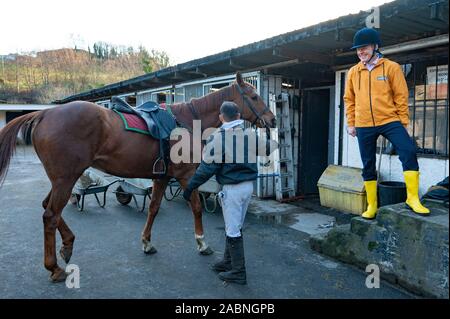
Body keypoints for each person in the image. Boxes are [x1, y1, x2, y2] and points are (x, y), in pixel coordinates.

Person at [183, 101, 276, 285]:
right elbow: (269, 147)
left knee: (233, 229)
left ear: (220, 117)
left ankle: (238, 272)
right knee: (234, 226)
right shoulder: (249, 134)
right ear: (239, 117)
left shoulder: (217, 138)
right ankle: (228, 262)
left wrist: (189, 188)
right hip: (248, 187)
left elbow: (205, 170)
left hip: (232, 190)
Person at [344, 27, 430, 219]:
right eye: (358, 49)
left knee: (408, 150)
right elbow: (349, 99)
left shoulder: (391, 67)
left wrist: (403, 121)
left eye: (364, 48)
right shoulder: (353, 72)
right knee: (368, 164)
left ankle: (412, 199)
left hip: (390, 120)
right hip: (363, 123)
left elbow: (401, 96)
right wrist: (351, 123)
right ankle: (372, 205)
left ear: (375, 46)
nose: (361, 52)